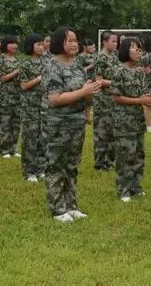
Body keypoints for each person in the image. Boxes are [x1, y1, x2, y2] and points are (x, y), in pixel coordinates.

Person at [42, 27, 100, 222]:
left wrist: (91, 92)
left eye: (76, 40)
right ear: (60, 43)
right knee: (56, 166)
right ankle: (58, 208)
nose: (75, 44)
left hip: (77, 121)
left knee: (72, 165)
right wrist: (84, 92)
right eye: (71, 41)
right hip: (59, 123)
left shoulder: (77, 66)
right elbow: (55, 99)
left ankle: (71, 205)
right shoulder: (53, 66)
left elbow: (84, 93)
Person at [110, 37, 151, 202]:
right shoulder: (118, 70)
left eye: (140, 49)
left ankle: (136, 186)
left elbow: (143, 94)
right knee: (125, 156)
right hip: (123, 120)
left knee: (138, 155)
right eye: (135, 49)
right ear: (126, 50)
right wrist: (139, 101)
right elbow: (116, 97)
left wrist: (149, 100)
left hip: (137, 119)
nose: (139, 52)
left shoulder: (139, 71)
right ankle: (124, 190)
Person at [18, 34, 46, 182]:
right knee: (30, 138)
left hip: (45, 105)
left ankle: (41, 168)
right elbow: (23, 86)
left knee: (43, 138)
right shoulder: (26, 64)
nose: (42, 47)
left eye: (43, 44)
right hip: (30, 106)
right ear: (31, 45)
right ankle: (30, 171)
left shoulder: (47, 62)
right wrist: (39, 78)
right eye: (38, 44)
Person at [93, 31, 119, 170]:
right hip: (103, 100)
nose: (116, 44)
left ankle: (109, 160)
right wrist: (116, 82)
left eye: (116, 41)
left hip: (112, 98)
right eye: (113, 41)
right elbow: (99, 80)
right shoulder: (101, 57)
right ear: (104, 42)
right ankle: (100, 163)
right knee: (102, 132)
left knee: (112, 131)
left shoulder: (114, 57)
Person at [0, 36, 22, 158]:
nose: (14, 45)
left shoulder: (17, 60)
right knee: (5, 123)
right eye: (11, 43)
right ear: (5, 45)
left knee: (16, 124)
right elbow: (2, 78)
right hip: (5, 97)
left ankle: (13, 148)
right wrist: (16, 71)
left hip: (18, 96)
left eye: (15, 43)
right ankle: (4, 149)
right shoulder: (1, 59)